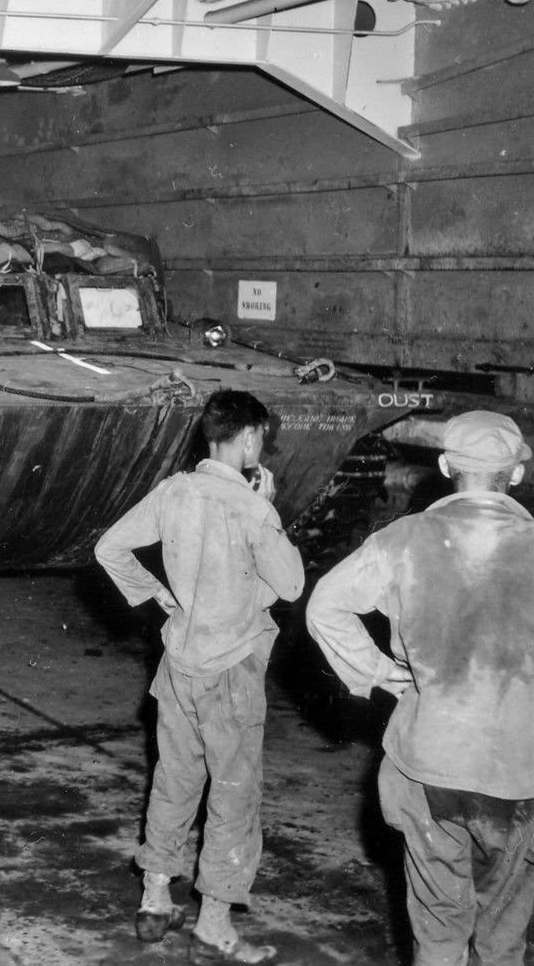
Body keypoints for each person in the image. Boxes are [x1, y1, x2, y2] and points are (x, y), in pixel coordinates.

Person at [306, 410, 534, 966]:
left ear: (444, 466)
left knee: (437, 928)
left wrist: (380, 672)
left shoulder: (405, 539)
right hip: (522, 771)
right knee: (505, 932)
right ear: (519, 474)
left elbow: (325, 606)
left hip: (430, 763)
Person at [95, 389, 303, 964]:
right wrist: (271, 512)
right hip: (230, 670)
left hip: (177, 665)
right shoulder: (254, 508)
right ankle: (214, 925)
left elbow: (110, 547)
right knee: (234, 794)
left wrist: (155, 594)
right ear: (251, 439)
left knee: (175, 779)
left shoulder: (175, 490)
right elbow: (290, 586)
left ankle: (155, 897)